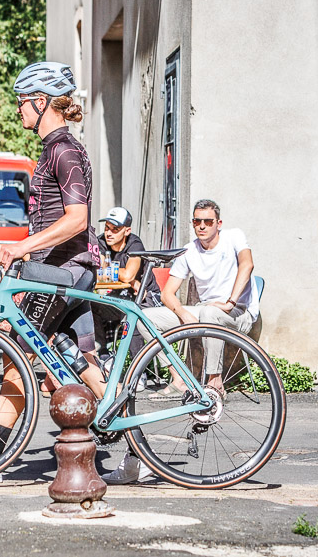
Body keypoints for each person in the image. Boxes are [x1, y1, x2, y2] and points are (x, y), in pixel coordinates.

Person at [0, 61, 108, 475]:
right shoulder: (55, 149)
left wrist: (20, 249)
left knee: (17, 354)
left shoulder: (63, 150)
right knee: (74, 358)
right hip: (63, 269)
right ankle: (133, 443)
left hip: (61, 271)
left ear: (41, 101)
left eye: (21, 101)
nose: (18, 109)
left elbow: (77, 219)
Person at [102, 198, 260, 484]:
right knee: (145, 317)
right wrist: (183, 314)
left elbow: (247, 265)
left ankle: (214, 383)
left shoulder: (234, 236)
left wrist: (231, 300)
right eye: (197, 221)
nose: (201, 226)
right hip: (203, 310)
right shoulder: (189, 250)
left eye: (207, 221)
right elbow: (168, 294)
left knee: (211, 313)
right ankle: (179, 377)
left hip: (237, 311)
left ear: (218, 224)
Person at [90, 206, 163, 357]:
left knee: (132, 316)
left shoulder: (135, 244)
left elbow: (128, 275)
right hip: (121, 297)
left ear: (127, 231)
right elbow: (98, 271)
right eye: (107, 228)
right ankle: (103, 356)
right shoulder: (101, 241)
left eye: (115, 229)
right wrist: (129, 281)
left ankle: (138, 372)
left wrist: (126, 278)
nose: (109, 233)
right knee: (90, 305)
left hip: (146, 297)